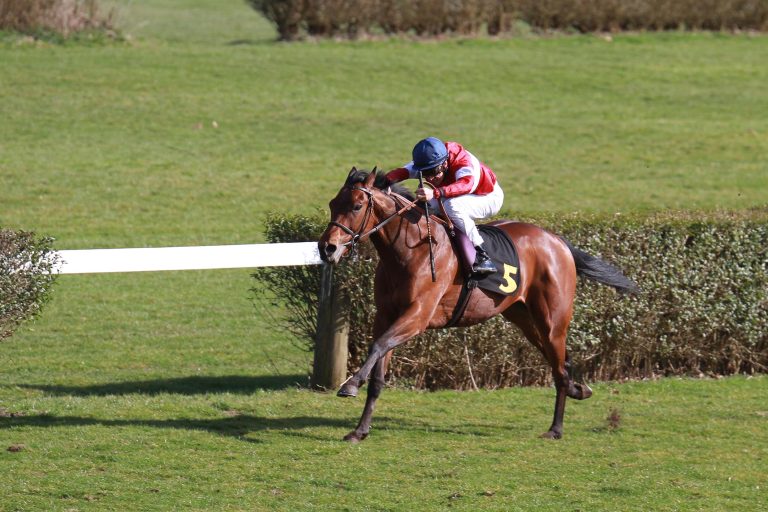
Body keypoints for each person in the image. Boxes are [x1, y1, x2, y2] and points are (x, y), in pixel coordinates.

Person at [385, 137, 504, 275]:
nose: (429, 178)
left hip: (487, 196)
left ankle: (483, 255)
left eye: (432, 173)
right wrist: (382, 182)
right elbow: (402, 172)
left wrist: (436, 192)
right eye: (425, 174)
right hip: (456, 193)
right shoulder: (429, 161)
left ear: (444, 164)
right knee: (424, 204)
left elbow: (466, 185)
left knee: (452, 206)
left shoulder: (463, 163)